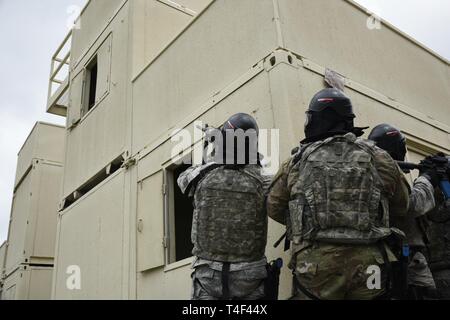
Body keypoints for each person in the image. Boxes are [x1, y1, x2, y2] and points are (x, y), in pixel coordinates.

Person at [267, 88, 409, 300]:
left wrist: (303, 220)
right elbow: (403, 205)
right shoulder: (380, 157)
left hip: (316, 263)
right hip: (370, 262)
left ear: (318, 118)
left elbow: (274, 206)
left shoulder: (296, 162)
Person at [178, 113, 268, 300]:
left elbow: (182, 180)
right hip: (249, 275)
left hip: (208, 274)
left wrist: (214, 147)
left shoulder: (202, 175)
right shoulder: (263, 178)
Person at [369, 124, 437, 299]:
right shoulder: (385, 173)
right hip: (401, 258)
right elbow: (413, 205)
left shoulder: (372, 172)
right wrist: (427, 179)